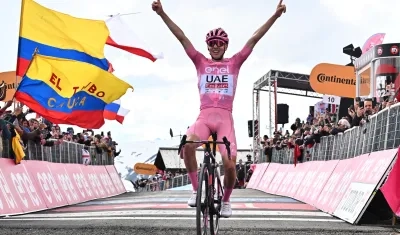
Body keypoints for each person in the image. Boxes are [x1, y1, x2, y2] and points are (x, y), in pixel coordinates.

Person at [152, 0, 286, 218]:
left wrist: (275, 15)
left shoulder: (234, 63)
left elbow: (254, 38)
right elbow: (182, 37)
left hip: (225, 120)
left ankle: (225, 201)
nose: (215, 46)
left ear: (225, 46)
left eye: (219, 43)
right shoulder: (200, 61)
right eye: (212, 43)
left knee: (230, 166)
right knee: (187, 146)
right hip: (203, 117)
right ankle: (197, 191)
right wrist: (162, 13)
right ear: (208, 46)